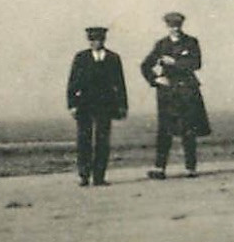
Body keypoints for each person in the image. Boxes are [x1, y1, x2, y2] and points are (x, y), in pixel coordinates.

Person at [140, 11, 211, 178]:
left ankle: (190, 168)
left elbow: (196, 63)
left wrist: (175, 63)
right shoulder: (161, 45)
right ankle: (160, 168)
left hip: (187, 90)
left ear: (181, 26)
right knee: (165, 129)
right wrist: (156, 80)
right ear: (167, 27)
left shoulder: (191, 42)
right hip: (167, 92)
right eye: (172, 26)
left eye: (177, 26)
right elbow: (145, 66)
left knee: (189, 130)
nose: (175, 29)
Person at [66, 26, 128, 187]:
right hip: (84, 104)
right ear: (89, 41)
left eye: (99, 39)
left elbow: (120, 84)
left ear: (104, 40)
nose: (96, 43)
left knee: (103, 140)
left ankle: (99, 176)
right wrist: (72, 104)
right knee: (84, 140)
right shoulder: (81, 58)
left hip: (105, 105)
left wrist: (122, 105)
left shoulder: (113, 58)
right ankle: (84, 175)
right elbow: (72, 82)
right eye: (92, 40)